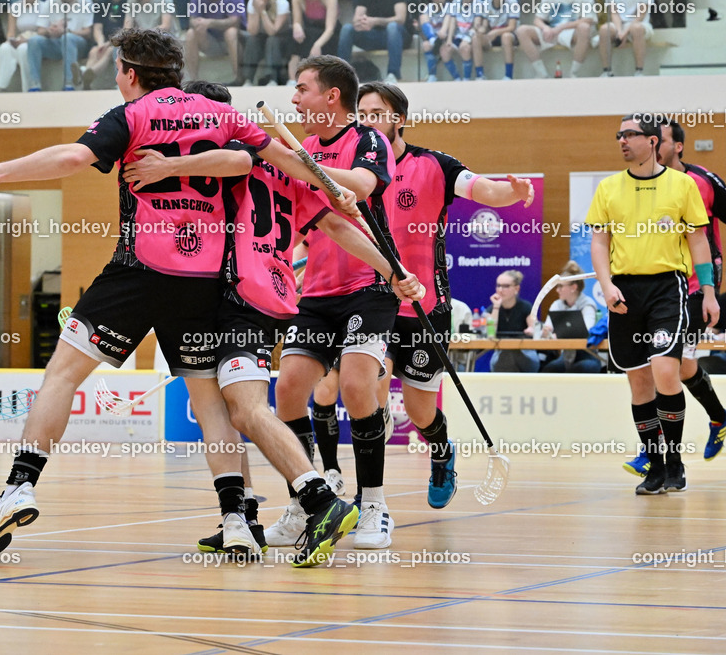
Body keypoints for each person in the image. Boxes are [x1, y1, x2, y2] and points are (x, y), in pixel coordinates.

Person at [0, 28, 366, 568]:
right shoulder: (226, 114)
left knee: (62, 374)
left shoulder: (133, 113)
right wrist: (333, 188)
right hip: (206, 281)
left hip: (139, 269)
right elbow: (268, 162)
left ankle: (20, 486)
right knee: (209, 401)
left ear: (128, 72)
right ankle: (238, 519)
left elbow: (73, 160)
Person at [119, 78, 424, 556]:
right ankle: (243, 518)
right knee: (237, 407)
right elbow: (335, 225)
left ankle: (324, 498)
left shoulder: (235, 160)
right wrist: (392, 269)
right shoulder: (280, 163)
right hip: (273, 294)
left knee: (243, 409)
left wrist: (168, 166)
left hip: (242, 295)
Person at [356, 81, 533, 509]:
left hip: (424, 306)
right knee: (369, 385)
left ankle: (441, 450)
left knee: (420, 412)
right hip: (371, 299)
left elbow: (483, 189)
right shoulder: (352, 171)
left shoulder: (434, 165)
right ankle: (370, 496)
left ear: (398, 119)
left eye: (375, 113)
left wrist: (512, 192)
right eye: (360, 114)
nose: (366, 122)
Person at [269, 56, 401, 551]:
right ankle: (309, 502)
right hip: (319, 292)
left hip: (370, 285)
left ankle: (373, 505)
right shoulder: (301, 148)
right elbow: (307, 219)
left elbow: (364, 185)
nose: (294, 99)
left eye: (301, 88)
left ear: (332, 97)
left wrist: (320, 174)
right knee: (288, 391)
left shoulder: (368, 138)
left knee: (354, 383)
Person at [585, 113, 718, 495]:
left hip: (667, 288)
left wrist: (708, 292)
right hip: (624, 291)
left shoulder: (682, 185)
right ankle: (655, 466)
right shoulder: (609, 188)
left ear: (652, 141)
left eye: (630, 134)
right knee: (639, 382)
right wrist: (607, 286)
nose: (622, 141)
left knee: (665, 372)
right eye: (619, 135)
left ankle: (675, 462)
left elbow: (698, 242)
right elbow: (599, 243)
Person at [624, 119, 726, 476]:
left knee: (664, 364)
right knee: (676, 365)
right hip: (660, 289)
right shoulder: (641, 184)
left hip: (697, 286)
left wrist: (713, 285)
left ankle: (655, 456)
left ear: (676, 146)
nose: (653, 147)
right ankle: (718, 417)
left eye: (661, 141)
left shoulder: (701, 182)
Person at [515, 0, 596, 79]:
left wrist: (561, 28)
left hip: (571, 32)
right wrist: (545, 28)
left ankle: (574, 73)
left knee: (584, 28)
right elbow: (538, 19)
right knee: (522, 30)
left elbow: (588, 19)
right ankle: (541, 73)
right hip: (552, 32)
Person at [336, 0, 409, 84]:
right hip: (374, 36)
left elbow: (400, 19)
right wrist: (361, 23)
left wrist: (375, 21)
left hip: (397, 37)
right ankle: (341, 75)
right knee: (347, 29)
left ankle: (393, 74)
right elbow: (356, 19)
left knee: (392, 27)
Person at [26, 0, 94, 91]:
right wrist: (50, 31)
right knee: (33, 41)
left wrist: (67, 31)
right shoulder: (50, 2)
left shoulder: (86, 1)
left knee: (67, 38)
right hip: (56, 43)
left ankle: (69, 83)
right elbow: (40, 30)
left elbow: (88, 32)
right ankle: (34, 84)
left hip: (78, 44)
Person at [536, 260, 602, 373]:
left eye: (561, 287)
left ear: (573, 287)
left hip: (587, 354)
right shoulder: (557, 304)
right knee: (549, 370)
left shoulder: (588, 303)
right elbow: (548, 328)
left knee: (583, 368)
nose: (557, 290)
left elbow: (587, 329)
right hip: (566, 356)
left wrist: (559, 333)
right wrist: (545, 331)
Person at [183, 0, 245, 84]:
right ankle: (193, 81)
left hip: (233, 41)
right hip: (209, 42)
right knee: (191, 33)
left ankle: (238, 77)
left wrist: (210, 22)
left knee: (230, 32)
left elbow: (235, 21)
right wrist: (199, 24)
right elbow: (192, 19)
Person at [597, 0, 653, 78]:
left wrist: (625, 32)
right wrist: (619, 32)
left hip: (640, 23)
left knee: (636, 29)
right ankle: (607, 71)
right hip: (619, 24)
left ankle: (639, 71)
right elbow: (614, 13)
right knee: (605, 29)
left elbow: (641, 14)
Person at [286, 0, 338, 86]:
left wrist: (317, 45)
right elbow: (297, 21)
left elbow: (330, 28)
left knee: (312, 36)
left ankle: (312, 80)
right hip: (310, 28)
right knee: (294, 34)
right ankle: (292, 79)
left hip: (328, 33)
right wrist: (296, 26)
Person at [0, 0, 45, 92]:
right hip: (20, 38)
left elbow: (43, 31)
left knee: (23, 49)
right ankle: (2, 86)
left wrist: (26, 40)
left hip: (36, 40)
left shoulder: (44, 6)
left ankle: (29, 87)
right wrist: (11, 40)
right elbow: (11, 31)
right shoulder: (15, 6)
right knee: (4, 48)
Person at [486, 269, 540, 372]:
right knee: (506, 354)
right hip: (501, 355)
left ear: (516, 289)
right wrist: (496, 307)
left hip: (526, 353)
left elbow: (535, 329)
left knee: (511, 353)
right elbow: (490, 334)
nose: (500, 290)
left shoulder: (526, 307)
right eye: (498, 286)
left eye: (506, 286)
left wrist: (531, 330)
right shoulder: (492, 309)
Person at [80, 0, 128, 89]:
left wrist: (108, 43)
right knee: (94, 51)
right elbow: (97, 28)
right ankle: (86, 77)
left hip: (122, 40)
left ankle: (85, 74)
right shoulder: (102, 1)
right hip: (105, 41)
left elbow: (127, 28)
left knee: (110, 51)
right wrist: (101, 42)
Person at [241, 0, 289, 86]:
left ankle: (273, 79)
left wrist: (262, 11)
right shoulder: (252, 3)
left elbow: (272, 31)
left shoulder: (281, 3)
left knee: (272, 40)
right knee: (252, 40)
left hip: (281, 40)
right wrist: (257, 11)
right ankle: (248, 79)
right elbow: (252, 31)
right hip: (262, 38)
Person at [471, 0, 517, 81]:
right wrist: (480, 29)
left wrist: (496, 32)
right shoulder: (485, 4)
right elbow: (485, 24)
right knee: (475, 38)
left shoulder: (512, 2)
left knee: (506, 36)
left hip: (508, 35)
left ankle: (508, 75)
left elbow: (512, 27)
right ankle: (480, 74)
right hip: (492, 35)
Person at [418, 0, 452, 82]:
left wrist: (443, 34)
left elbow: (449, 27)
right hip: (434, 38)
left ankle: (457, 77)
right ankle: (432, 75)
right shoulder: (428, 8)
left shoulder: (450, 6)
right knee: (426, 45)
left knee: (444, 50)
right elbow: (424, 22)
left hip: (447, 37)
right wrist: (433, 38)